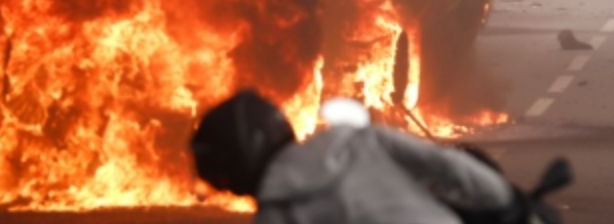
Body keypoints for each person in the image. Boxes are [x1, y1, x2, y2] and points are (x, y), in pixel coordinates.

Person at [190, 90, 516, 224]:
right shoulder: (360, 140)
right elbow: (450, 166)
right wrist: (511, 204)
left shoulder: (279, 214)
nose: (226, 187)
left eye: (222, 177)